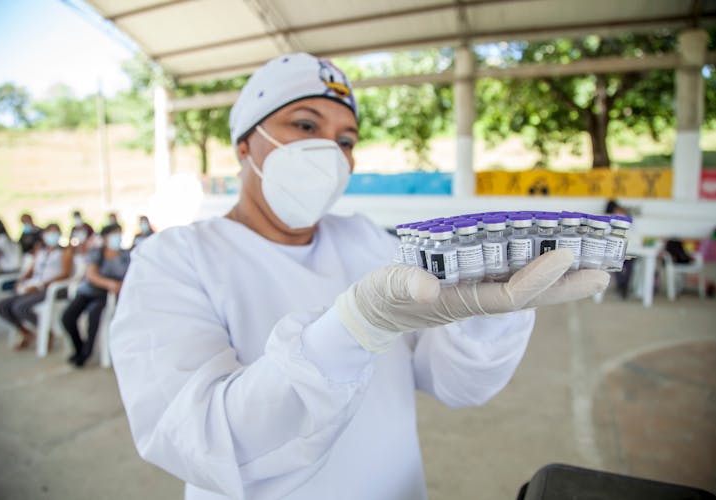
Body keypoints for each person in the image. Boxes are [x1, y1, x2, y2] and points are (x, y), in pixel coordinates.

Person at [109, 53, 609, 500]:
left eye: (345, 140)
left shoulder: (367, 241)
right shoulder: (176, 259)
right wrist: (352, 328)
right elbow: (201, 439)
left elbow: (456, 384)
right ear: (245, 145)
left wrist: (487, 313)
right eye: (305, 126)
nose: (330, 152)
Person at [0, 223, 73, 349]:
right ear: (43, 235)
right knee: (2, 306)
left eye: (55, 232)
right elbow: (31, 271)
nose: (52, 236)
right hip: (33, 286)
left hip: (50, 288)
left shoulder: (64, 251)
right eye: (50, 233)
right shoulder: (40, 251)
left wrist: (40, 286)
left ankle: (46, 332)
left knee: (20, 307)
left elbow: (65, 274)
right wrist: (21, 281)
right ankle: (26, 332)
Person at [61, 224, 129, 367]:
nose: (117, 237)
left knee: (94, 315)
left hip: (106, 296)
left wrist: (113, 286)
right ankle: (79, 348)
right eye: (114, 234)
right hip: (89, 291)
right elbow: (92, 275)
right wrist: (110, 283)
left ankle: (87, 352)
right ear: (104, 237)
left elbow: (128, 277)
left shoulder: (125, 255)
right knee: (67, 317)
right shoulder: (97, 253)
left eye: (119, 234)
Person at [604, 199, 634, 299]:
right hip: (617, 252)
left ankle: (622, 286)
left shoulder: (624, 219)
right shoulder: (612, 220)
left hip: (623, 252)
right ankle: (622, 286)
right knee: (620, 264)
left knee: (623, 264)